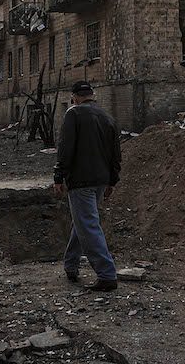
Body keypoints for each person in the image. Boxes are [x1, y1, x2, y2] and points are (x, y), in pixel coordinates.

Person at [53, 80, 120, 291]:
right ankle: (71, 266)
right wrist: (112, 180)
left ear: (74, 97)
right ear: (92, 95)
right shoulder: (107, 116)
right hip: (100, 180)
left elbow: (66, 148)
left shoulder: (73, 114)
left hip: (81, 180)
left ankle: (107, 274)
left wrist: (58, 176)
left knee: (88, 225)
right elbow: (115, 153)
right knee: (82, 222)